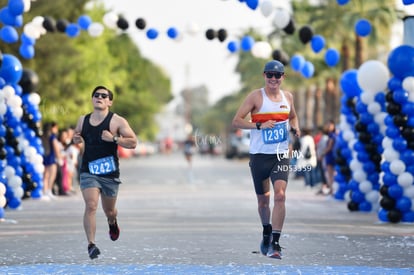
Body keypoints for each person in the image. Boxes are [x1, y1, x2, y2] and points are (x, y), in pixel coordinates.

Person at [232, 60, 300, 259]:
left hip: (280, 155)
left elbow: (293, 116)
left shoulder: (288, 97)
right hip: (259, 156)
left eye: (277, 75)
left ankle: (276, 244)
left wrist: (296, 127)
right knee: (263, 202)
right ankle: (266, 231)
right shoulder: (256, 96)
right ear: (264, 76)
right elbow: (236, 121)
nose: (273, 79)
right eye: (269, 74)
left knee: (280, 196)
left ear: (282, 78)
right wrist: (259, 125)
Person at [73, 86, 137, 260]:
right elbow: (75, 136)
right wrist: (76, 139)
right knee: (91, 205)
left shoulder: (117, 121)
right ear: (92, 99)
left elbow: (133, 142)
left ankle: (112, 222)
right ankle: (91, 245)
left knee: (109, 211)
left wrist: (114, 138)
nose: (99, 97)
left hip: (109, 173)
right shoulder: (82, 120)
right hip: (88, 170)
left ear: (110, 101)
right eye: (96, 95)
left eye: (104, 96)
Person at [41, 121, 62, 200]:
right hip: (51, 157)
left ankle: (44, 191)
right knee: (52, 174)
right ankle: (49, 190)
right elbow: (56, 148)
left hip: (45, 156)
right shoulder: (52, 136)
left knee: (45, 175)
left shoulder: (43, 136)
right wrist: (59, 158)